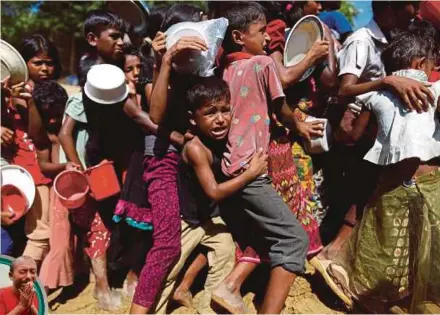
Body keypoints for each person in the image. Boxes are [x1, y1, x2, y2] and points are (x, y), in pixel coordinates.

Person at [150, 3, 312, 314]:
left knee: (256, 234)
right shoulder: (258, 64)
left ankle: (229, 287)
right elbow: (281, 109)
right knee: (293, 241)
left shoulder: (218, 69)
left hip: (226, 169)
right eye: (262, 31)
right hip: (242, 172)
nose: (268, 38)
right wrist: (300, 124)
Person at [327, 30, 440, 313]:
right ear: (420, 64)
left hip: (389, 188)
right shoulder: (435, 90)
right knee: (425, 253)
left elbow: (351, 136)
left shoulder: (375, 95)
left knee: (384, 249)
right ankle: (408, 299)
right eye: (431, 66)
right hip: (429, 185)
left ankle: (376, 299)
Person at [155, 77, 268, 314]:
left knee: (226, 251)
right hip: (186, 221)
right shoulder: (196, 148)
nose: (220, 119)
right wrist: (251, 174)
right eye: (210, 113)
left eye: (225, 110)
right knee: (169, 271)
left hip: (208, 219)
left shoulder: (219, 138)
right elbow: (214, 191)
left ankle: (208, 308)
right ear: (192, 118)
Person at [124, 4, 205, 313]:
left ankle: (183, 290)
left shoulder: (202, 64)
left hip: (195, 160)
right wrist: (164, 60)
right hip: (163, 160)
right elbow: (156, 114)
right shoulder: (152, 64)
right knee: (168, 244)